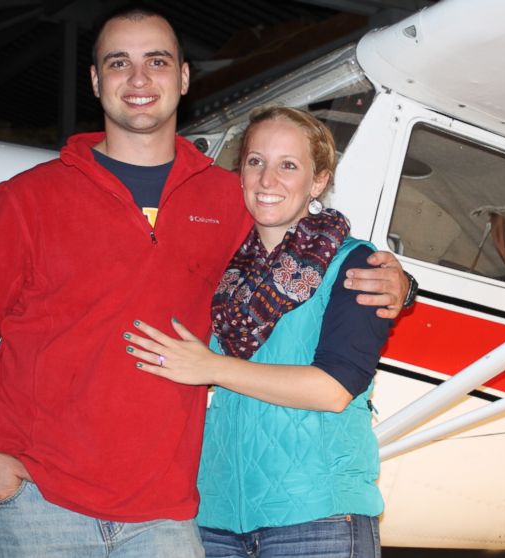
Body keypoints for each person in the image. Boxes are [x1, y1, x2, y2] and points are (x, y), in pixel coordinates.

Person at [0, 8, 409, 558]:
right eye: (118, 63)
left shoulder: (232, 198)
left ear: (181, 78)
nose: (138, 79)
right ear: (95, 81)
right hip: (38, 505)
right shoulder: (27, 199)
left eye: (156, 61)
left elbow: (310, 240)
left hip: (168, 520)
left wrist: (395, 279)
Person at [124, 106, 387, 558]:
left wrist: (212, 367)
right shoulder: (221, 272)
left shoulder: (357, 264)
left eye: (289, 165)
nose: (268, 180)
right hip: (218, 518)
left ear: (318, 181)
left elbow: (334, 389)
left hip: (318, 516)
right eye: (255, 161)